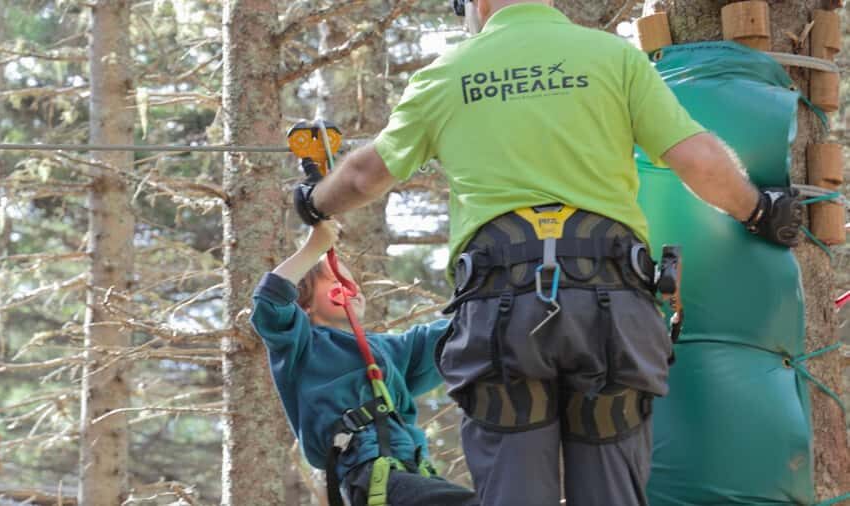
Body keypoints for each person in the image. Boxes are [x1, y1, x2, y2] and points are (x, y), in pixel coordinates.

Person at [290, 1, 803, 505]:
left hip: (500, 319)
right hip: (611, 315)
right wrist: (759, 209)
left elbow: (364, 175)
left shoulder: (447, 74)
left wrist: (315, 201)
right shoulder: (611, 57)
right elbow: (695, 157)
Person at [250, 220, 479, 506]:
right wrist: (313, 249)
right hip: (369, 475)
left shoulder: (386, 350)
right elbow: (269, 303)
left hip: (411, 472)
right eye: (338, 281)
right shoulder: (302, 344)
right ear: (304, 303)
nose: (352, 288)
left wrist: (490, 298)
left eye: (354, 283)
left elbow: (446, 337)